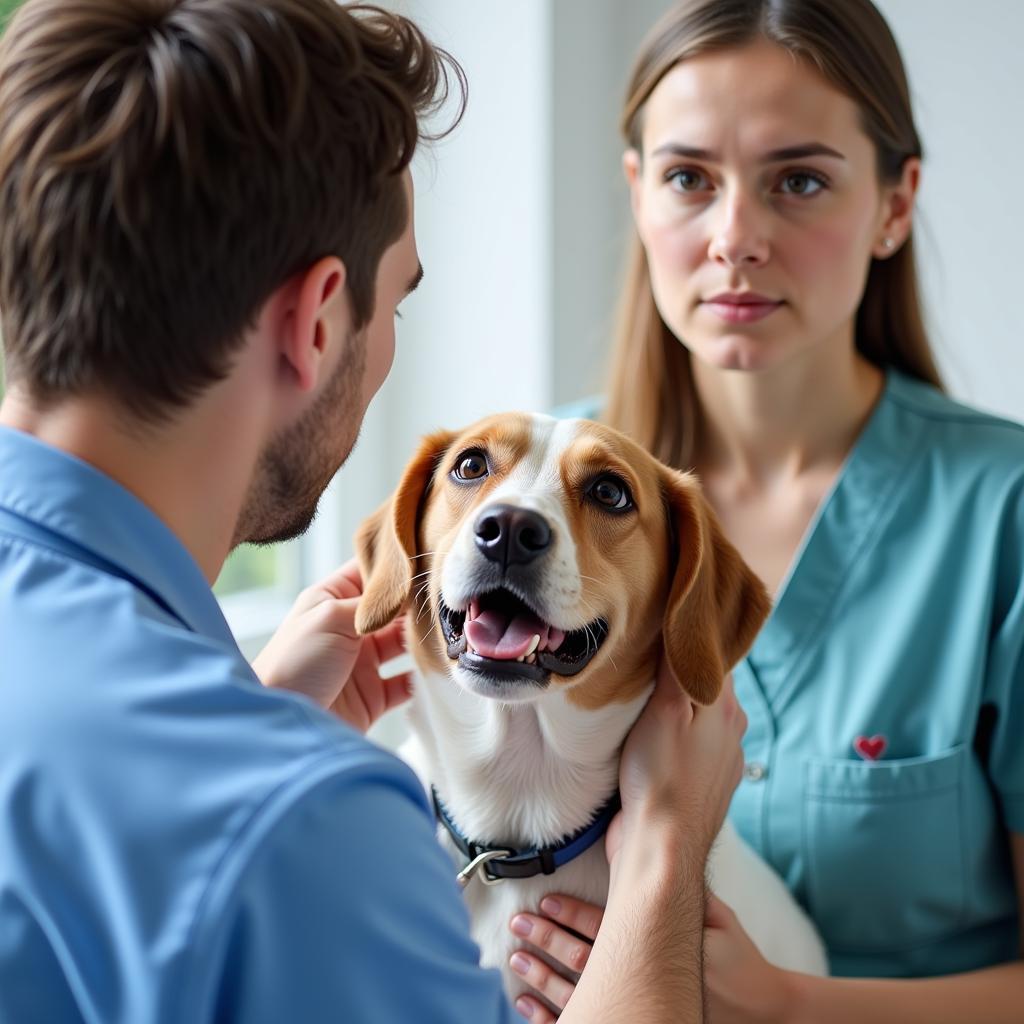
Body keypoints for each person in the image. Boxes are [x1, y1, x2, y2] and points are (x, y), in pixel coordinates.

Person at [0, 1, 745, 1022]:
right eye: (393, 303)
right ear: (314, 323)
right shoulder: (312, 826)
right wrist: (665, 855)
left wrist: (257, 716)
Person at [505, 0, 1024, 1020]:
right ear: (636, 192)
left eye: (798, 181)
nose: (733, 238)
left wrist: (790, 1007)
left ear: (893, 203)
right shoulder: (519, 503)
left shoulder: (1000, 517)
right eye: (688, 178)